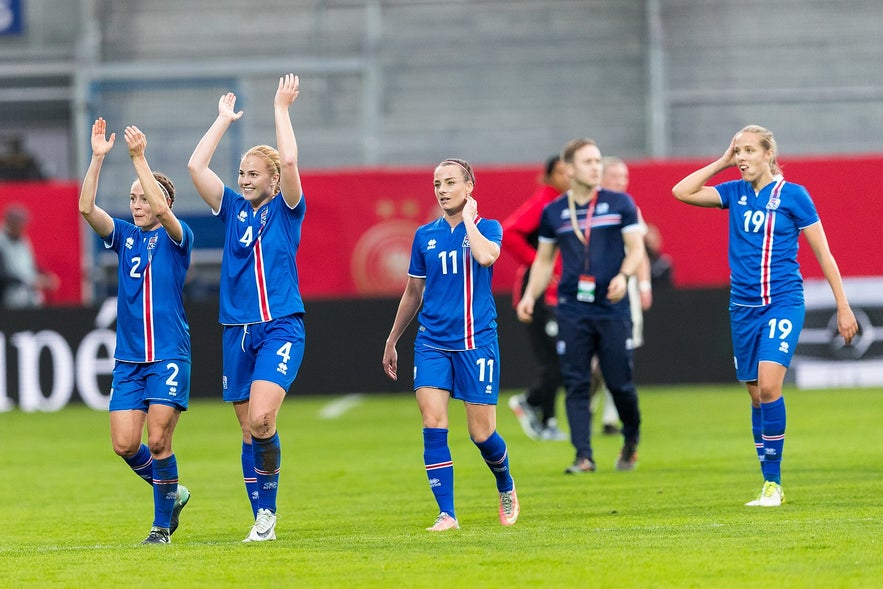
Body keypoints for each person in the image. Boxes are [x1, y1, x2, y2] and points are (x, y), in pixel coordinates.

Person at [672, 124, 858, 507]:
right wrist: (721, 162)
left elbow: (824, 254)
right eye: (737, 152)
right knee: (757, 395)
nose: (741, 158)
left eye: (748, 151)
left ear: (769, 154)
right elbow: (682, 192)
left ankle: (773, 485)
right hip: (742, 308)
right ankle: (767, 482)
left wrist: (843, 306)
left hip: (782, 301)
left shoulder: (793, 195)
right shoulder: (734, 192)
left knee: (771, 386)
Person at [188, 73, 306, 542]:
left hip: (279, 325)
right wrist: (221, 121)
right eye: (242, 173)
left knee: (261, 418)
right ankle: (262, 518)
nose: (244, 179)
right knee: (246, 428)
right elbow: (197, 167)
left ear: (274, 180)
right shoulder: (234, 208)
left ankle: (268, 514)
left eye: (253, 173)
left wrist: (280, 109)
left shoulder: (288, 208)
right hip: (235, 329)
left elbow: (291, 157)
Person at [382, 158, 520, 531]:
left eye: (449, 182)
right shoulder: (424, 235)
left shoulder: (487, 227)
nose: (441, 189)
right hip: (432, 342)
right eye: (437, 183)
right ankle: (447, 513)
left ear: (469, 186)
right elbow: (413, 292)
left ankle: (505, 482)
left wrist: (471, 222)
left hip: (477, 343)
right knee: (433, 421)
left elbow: (486, 256)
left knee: (482, 434)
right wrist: (394, 338)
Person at [79, 118, 192, 544]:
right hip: (129, 359)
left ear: (162, 202)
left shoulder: (178, 237)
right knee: (125, 445)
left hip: (167, 354)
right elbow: (87, 208)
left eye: (143, 198)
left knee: (159, 440)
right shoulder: (124, 236)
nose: (137, 205)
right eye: (132, 198)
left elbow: (165, 212)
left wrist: (139, 157)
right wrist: (97, 158)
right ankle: (174, 492)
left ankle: (161, 528)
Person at [516, 138, 644, 474]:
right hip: (572, 308)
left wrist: (624, 276)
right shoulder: (554, 212)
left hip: (612, 306)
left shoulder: (620, 203)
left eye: (598, 160)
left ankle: (631, 438)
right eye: (588, 161)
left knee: (619, 384)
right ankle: (583, 456)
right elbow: (544, 261)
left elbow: (635, 249)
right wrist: (530, 295)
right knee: (575, 381)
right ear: (569, 169)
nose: (596, 167)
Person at [502, 154, 571, 441]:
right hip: (538, 292)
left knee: (561, 361)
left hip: (560, 293)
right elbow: (509, 233)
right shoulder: (545, 202)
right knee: (554, 362)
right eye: (561, 172)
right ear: (550, 175)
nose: (567, 176)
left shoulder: (569, 204)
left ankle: (543, 416)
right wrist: (537, 263)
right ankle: (535, 407)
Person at [589, 156, 654, 436]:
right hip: (592, 289)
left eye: (624, 178)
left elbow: (638, 251)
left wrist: (644, 285)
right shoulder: (587, 207)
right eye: (615, 177)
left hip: (623, 288)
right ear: (601, 177)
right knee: (593, 360)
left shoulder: (629, 207)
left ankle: (609, 417)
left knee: (621, 354)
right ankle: (587, 407)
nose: (621, 182)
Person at [0, 204, 60, 308]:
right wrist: (30, 281)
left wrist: (46, 276)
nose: (22, 227)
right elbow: (3, 275)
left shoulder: (23, 240)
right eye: (19, 223)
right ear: (10, 222)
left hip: (30, 296)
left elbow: (30, 265)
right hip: (8, 299)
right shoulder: (2, 242)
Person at [644, 223, 674, 289]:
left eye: (654, 241)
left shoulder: (664, 264)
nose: (651, 245)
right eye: (648, 243)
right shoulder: (640, 265)